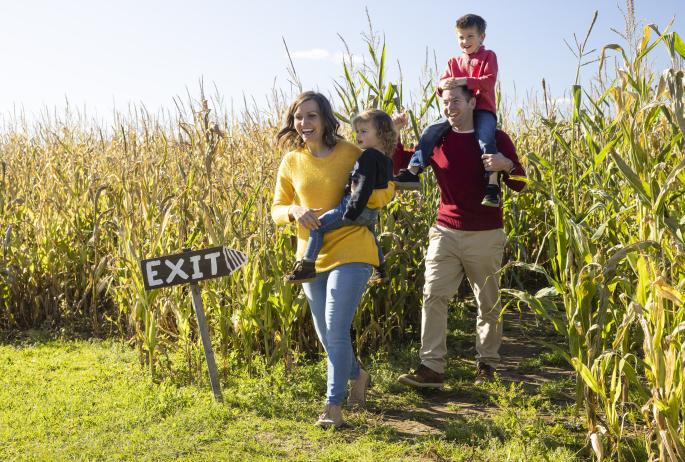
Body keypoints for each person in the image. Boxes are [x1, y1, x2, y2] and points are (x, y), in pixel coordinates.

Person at [271, 92, 394, 428]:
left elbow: (385, 189)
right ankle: (358, 375)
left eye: (312, 116)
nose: (304, 123)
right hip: (310, 257)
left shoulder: (352, 152)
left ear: (325, 119)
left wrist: (362, 202)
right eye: (299, 117)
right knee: (327, 335)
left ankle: (332, 406)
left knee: (337, 329)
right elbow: (276, 210)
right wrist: (294, 211)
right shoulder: (292, 161)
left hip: (352, 249)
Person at [394, 84, 525, 388]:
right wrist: (396, 134)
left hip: (485, 233)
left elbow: (520, 184)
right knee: (434, 295)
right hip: (445, 231)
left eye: (456, 101)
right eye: (445, 102)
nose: (449, 107)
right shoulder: (439, 138)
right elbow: (403, 166)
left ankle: (487, 365)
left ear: (472, 102)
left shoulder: (495, 139)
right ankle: (431, 367)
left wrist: (506, 165)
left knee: (488, 302)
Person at [394, 13, 503, 207]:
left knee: (486, 138)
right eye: (461, 37)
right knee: (431, 130)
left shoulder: (488, 56)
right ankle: (413, 170)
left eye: (470, 36)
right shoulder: (454, 62)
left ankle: (493, 185)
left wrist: (462, 81)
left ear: (482, 37)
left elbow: (488, 81)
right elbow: (441, 86)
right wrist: (444, 84)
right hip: (457, 111)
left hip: (482, 110)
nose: (465, 41)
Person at [283, 109, 396, 286]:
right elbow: (386, 183)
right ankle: (381, 269)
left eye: (364, 131)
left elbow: (363, 185)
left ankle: (307, 266)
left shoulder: (365, 156)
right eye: (357, 131)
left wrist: (351, 211)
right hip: (370, 213)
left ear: (380, 134)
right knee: (372, 233)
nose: (358, 136)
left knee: (318, 226)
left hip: (353, 208)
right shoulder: (386, 159)